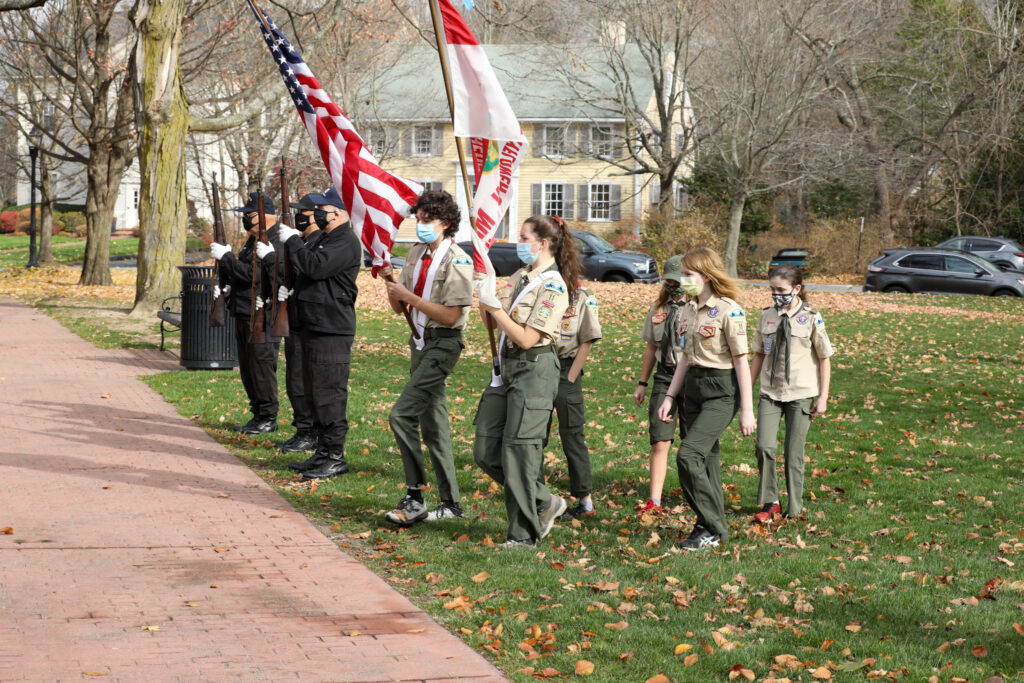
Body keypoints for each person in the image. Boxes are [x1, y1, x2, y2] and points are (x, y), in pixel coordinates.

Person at [473, 215, 581, 547]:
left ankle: (523, 535)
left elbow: (525, 337)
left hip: (534, 368)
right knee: (485, 448)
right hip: (507, 369)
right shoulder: (521, 276)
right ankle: (544, 500)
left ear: (543, 243)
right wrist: (486, 295)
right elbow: (495, 321)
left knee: (519, 451)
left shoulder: (553, 286)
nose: (519, 243)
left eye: (523, 237)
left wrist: (496, 308)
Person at [379, 190, 473, 526]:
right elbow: (398, 307)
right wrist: (391, 284)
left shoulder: (458, 261)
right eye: (417, 219)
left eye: (427, 220)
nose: (420, 225)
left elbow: (450, 317)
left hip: (442, 344)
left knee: (401, 415)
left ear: (446, 223)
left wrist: (409, 297)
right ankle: (451, 503)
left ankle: (415, 495)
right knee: (434, 426)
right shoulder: (416, 253)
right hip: (418, 343)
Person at [657, 247, 756, 551]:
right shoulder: (686, 309)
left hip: (720, 391)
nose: (684, 280)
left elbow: (742, 362)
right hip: (692, 390)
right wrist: (670, 396)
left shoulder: (729, 310)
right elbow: (685, 358)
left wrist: (747, 411)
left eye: (689, 275)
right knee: (707, 460)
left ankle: (712, 524)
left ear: (707, 276)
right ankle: (709, 527)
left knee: (687, 456)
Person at [262, 186, 361, 480]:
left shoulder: (345, 242)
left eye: (323, 209)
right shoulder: (329, 239)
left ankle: (335, 455)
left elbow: (313, 268)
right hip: (313, 325)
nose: (318, 215)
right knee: (315, 393)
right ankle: (322, 451)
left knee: (329, 394)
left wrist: (293, 241)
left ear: (338, 213)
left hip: (331, 329)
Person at [748, 265, 833, 522]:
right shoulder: (767, 317)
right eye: (772, 289)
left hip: (801, 393)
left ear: (796, 289)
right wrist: (745, 391)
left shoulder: (811, 317)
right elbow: (759, 354)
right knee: (764, 446)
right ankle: (771, 501)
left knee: (793, 453)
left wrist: (823, 397)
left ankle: (794, 508)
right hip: (770, 392)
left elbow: (824, 357)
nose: (776, 294)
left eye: (781, 290)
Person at [210, 192, 282, 435]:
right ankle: (258, 414)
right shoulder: (253, 240)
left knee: (261, 366)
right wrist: (229, 286)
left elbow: (253, 275)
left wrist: (226, 258)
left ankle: (268, 417)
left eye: (249, 215)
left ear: (264, 216)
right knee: (248, 367)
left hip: (262, 312)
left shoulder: (274, 241)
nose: (245, 219)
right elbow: (244, 275)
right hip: (243, 310)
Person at [260, 193, 321, 460]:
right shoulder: (306, 241)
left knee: (303, 379)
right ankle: (303, 428)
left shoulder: (315, 243)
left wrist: (276, 258)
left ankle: (309, 432)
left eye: (303, 212)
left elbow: (308, 271)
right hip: (296, 315)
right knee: (294, 378)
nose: (299, 216)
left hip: (311, 319)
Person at [544, 266, 602, 520]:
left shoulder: (583, 297)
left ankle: (584, 500)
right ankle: (537, 495)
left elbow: (587, 339)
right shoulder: (543, 289)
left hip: (567, 369)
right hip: (541, 366)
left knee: (572, 435)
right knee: (535, 435)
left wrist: (570, 376)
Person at [633, 255, 686, 515]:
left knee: (692, 443)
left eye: (678, 280)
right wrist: (642, 382)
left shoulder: (698, 307)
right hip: (664, 376)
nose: (673, 285)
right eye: (670, 281)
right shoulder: (658, 309)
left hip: (691, 377)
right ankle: (655, 500)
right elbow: (651, 346)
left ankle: (698, 494)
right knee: (659, 440)